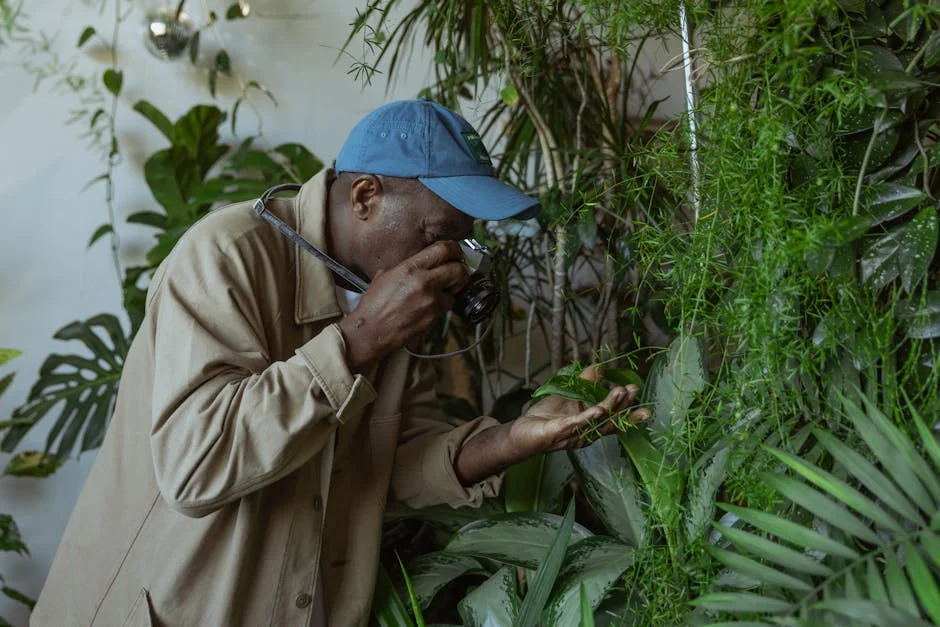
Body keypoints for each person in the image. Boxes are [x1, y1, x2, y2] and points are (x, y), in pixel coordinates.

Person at [31, 100, 647, 626]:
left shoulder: (392, 295)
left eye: (463, 242)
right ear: (366, 197)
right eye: (439, 234)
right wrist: (356, 341)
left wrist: (516, 438)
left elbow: (397, 460)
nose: (452, 264)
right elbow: (193, 467)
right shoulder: (225, 258)